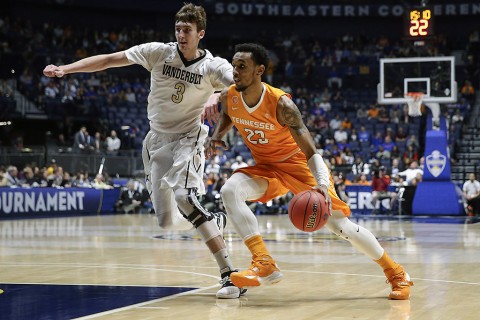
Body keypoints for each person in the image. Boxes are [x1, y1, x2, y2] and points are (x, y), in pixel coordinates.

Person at [43, 3, 243, 299]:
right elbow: (110, 60)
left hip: (188, 138)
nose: (180, 35)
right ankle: (214, 221)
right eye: (177, 29)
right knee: (166, 221)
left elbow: (245, 85)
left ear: (200, 33)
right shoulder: (159, 52)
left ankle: (230, 276)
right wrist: (66, 69)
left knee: (185, 197)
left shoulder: (213, 66)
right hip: (156, 141)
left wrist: (219, 93)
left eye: (187, 30)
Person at [206, 43, 413, 300]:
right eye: (234, 65)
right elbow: (228, 114)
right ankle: (263, 261)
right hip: (266, 167)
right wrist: (216, 136)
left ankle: (396, 273)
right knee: (230, 190)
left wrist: (322, 186)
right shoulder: (229, 96)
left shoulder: (282, 105)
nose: (234, 71)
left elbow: (312, 151)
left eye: (242, 66)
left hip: (299, 167)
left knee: (341, 227)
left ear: (260, 70)